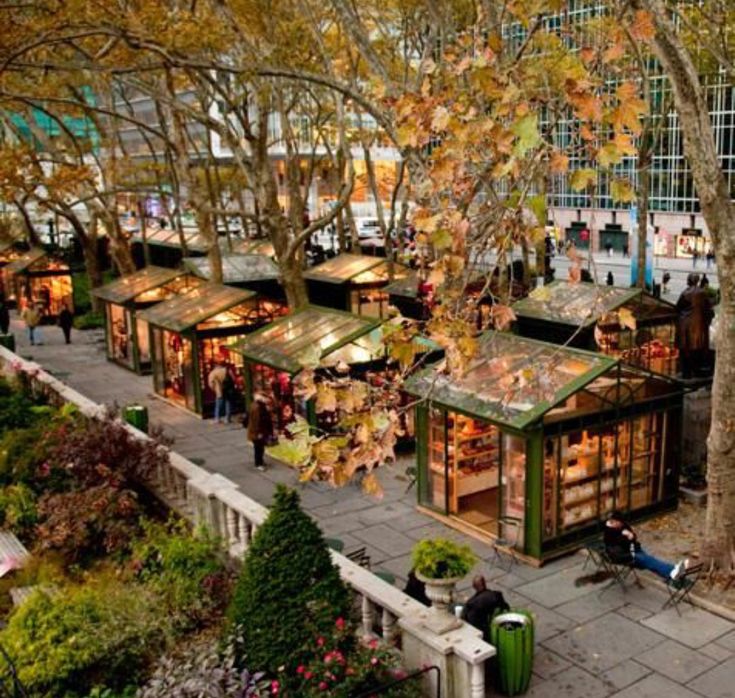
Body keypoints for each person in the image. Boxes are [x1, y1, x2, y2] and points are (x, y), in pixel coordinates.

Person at [604, 511, 687, 582]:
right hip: (626, 556)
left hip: (634, 550)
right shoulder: (609, 531)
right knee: (649, 560)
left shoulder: (623, 525)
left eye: (616, 521)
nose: (615, 523)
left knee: (650, 561)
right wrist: (625, 536)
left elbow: (633, 538)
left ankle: (672, 571)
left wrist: (631, 535)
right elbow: (618, 544)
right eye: (613, 521)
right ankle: (672, 572)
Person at [676, 273, 713, 379]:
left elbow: (678, 308)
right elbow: (708, 308)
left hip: (685, 325)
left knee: (685, 350)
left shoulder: (685, 293)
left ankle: (686, 374)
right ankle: (696, 372)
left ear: (689, 280)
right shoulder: (703, 293)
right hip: (699, 326)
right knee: (696, 349)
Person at [461, 575, 509, 641]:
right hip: (493, 623)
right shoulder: (496, 595)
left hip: (481, 630)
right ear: (485, 583)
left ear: (474, 587)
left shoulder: (471, 603)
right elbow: (505, 607)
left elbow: (465, 618)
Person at [247, 392, 273, 471]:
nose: (268, 400)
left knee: (260, 448)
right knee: (258, 448)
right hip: (258, 432)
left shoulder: (260, 406)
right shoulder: (257, 407)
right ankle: (258, 463)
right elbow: (256, 422)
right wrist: (258, 432)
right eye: (266, 398)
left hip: (260, 431)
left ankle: (260, 461)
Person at [208, 359, 234, 424]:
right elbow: (233, 379)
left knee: (218, 405)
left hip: (219, 390)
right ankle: (227, 419)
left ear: (215, 365)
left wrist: (215, 389)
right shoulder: (227, 370)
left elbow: (211, 383)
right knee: (228, 404)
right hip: (228, 390)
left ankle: (217, 419)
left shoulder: (213, 372)